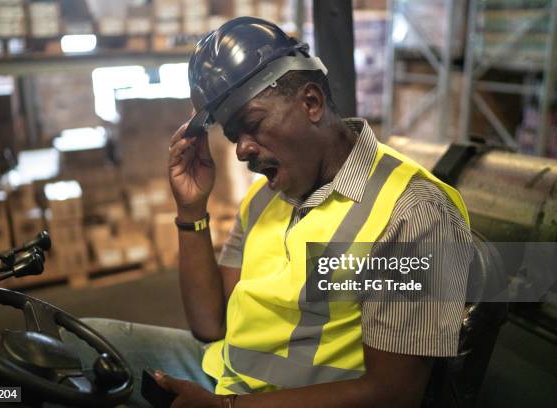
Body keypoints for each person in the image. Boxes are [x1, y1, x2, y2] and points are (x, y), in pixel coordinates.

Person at [70, 17, 473, 407]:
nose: (241, 150)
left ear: (311, 101)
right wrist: (191, 210)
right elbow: (210, 326)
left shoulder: (413, 214)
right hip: (225, 375)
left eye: (252, 123)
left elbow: (392, 394)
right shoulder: (265, 198)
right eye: (232, 136)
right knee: (74, 346)